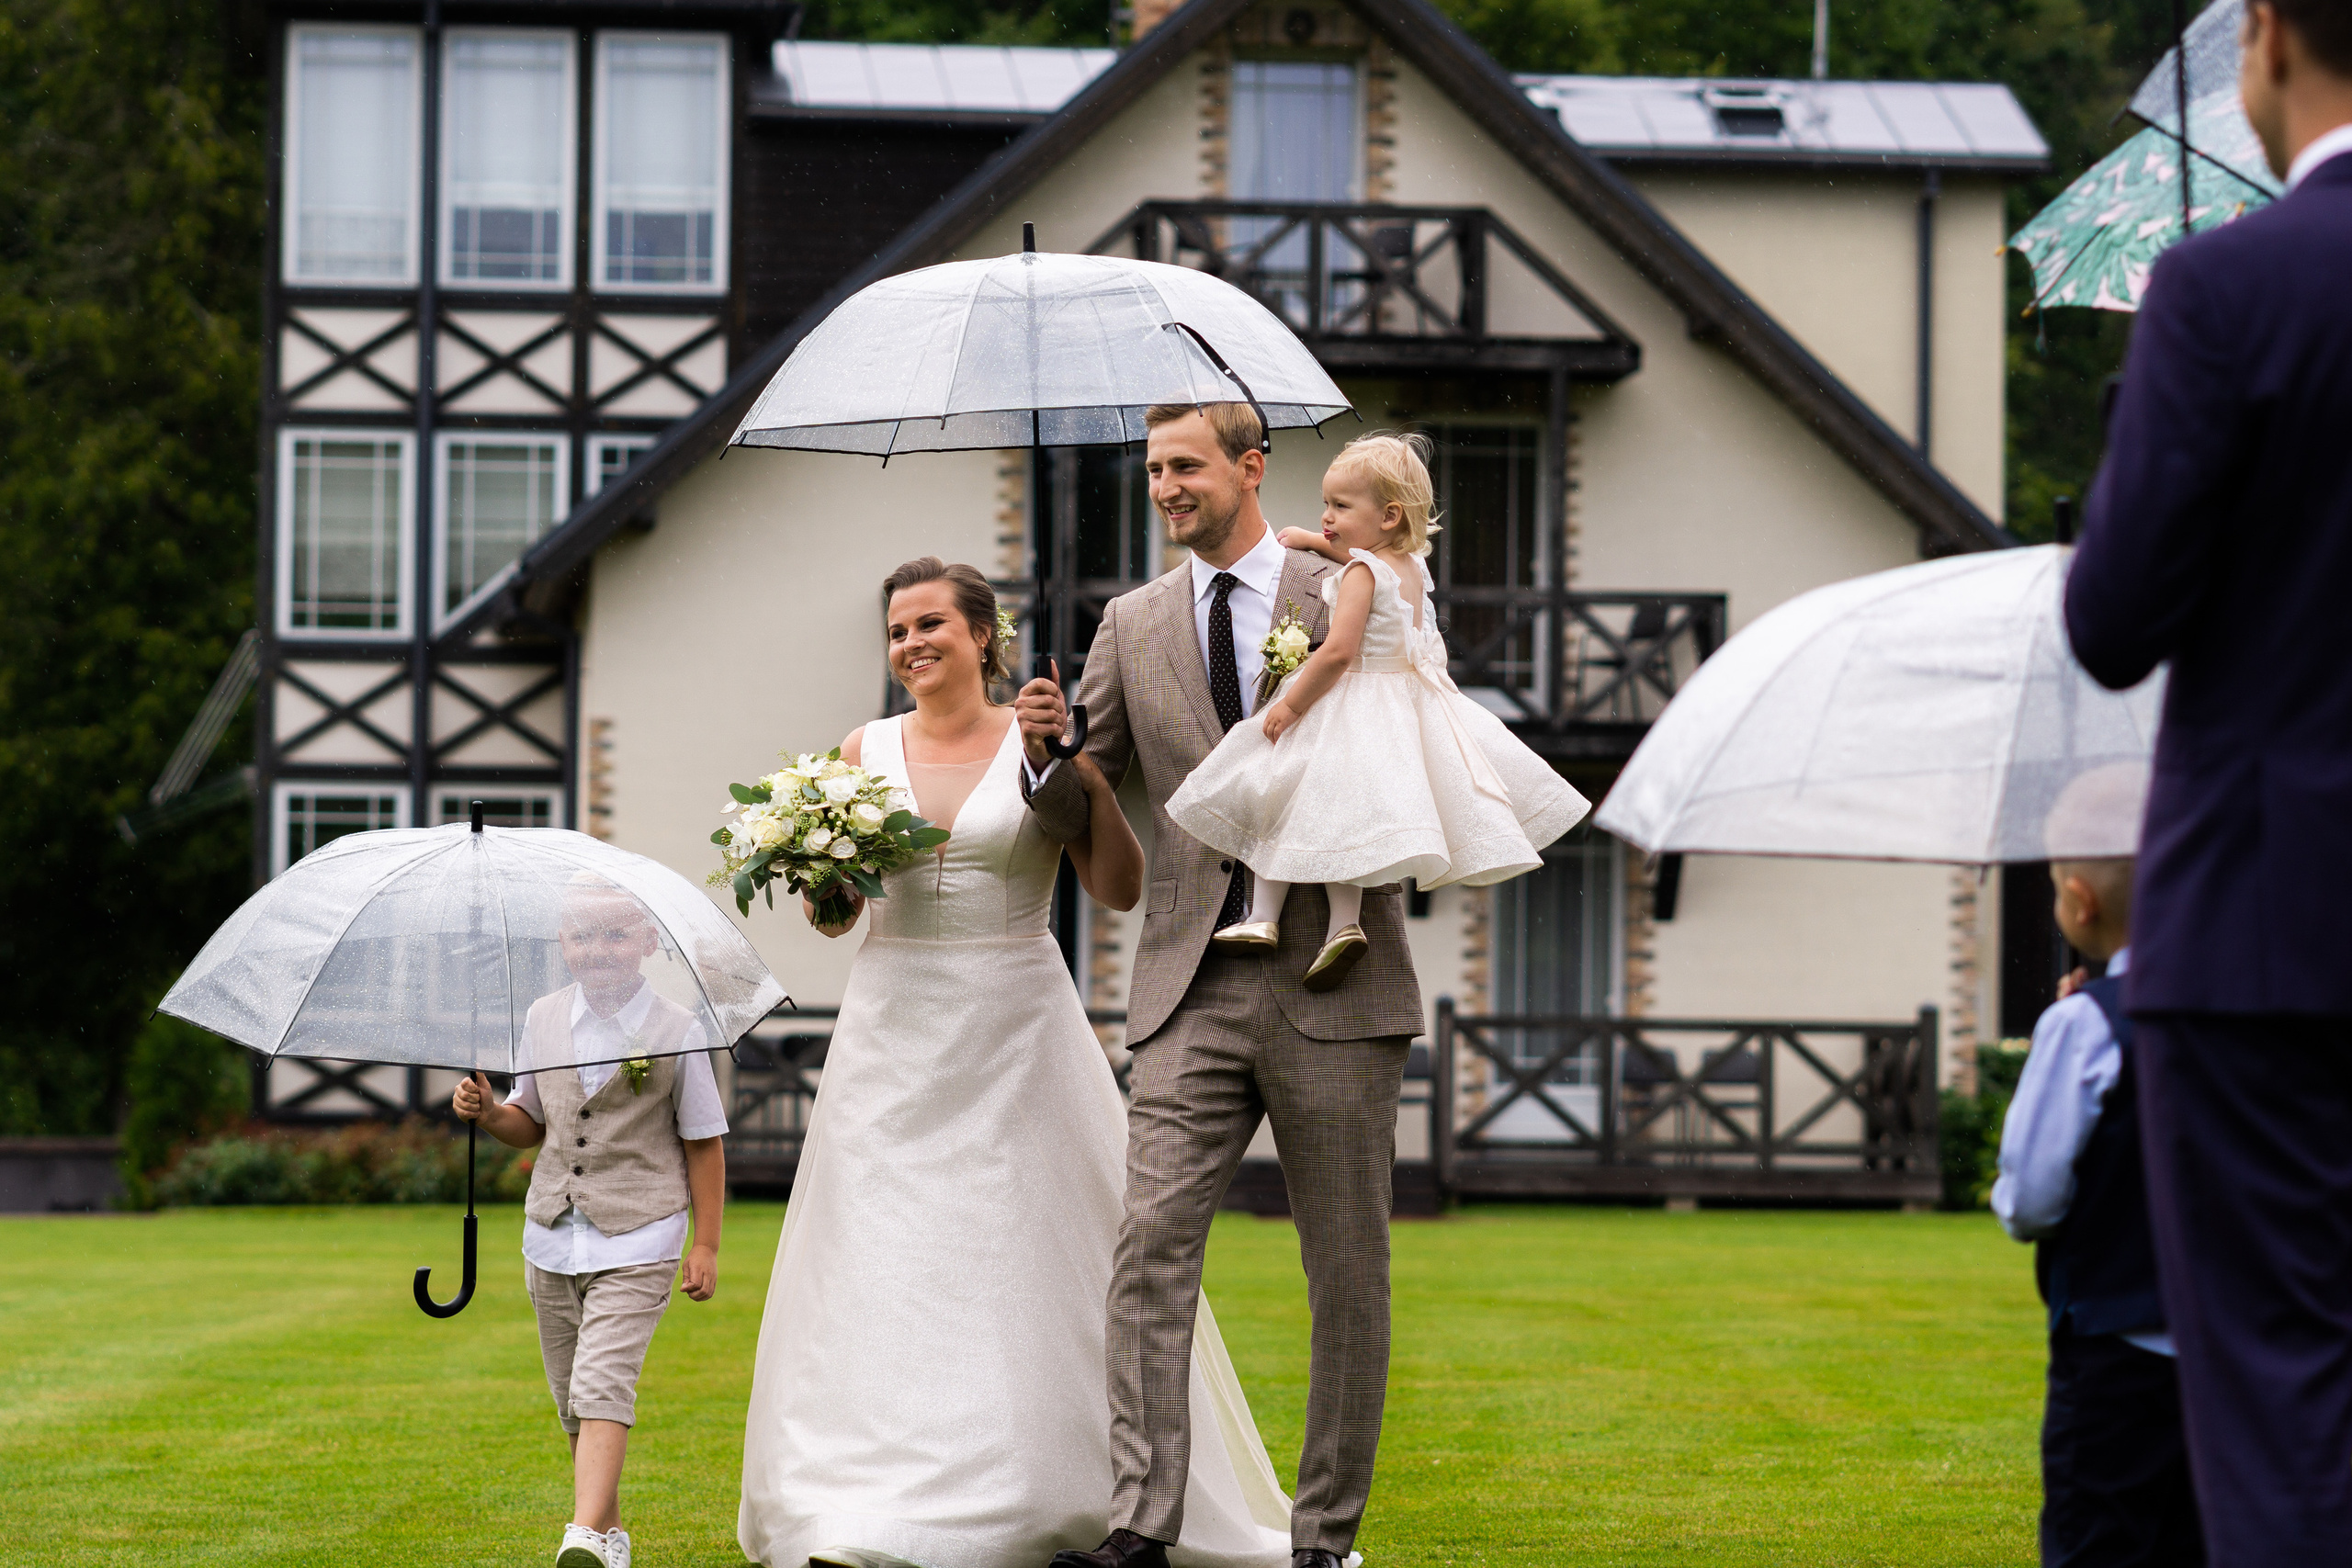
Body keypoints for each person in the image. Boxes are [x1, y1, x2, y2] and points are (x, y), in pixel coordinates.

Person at [737, 557, 1295, 1568]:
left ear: (983, 638)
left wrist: (1070, 770)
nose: (910, 644)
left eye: (930, 625)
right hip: (891, 1029)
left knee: (1017, 1253)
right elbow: (836, 920)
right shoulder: (861, 750)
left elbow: (1119, 888)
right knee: (882, 1255)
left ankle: (1033, 1485)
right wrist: (814, 873)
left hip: (1016, 1026)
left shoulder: (1042, 738)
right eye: (897, 629)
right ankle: (853, 1502)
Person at [1016, 404, 1423, 1568]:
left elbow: (1403, 712)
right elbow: (1085, 792)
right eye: (1150, 471)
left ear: (1249, 470)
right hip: (1188, 979)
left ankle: (1324, 1539)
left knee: (1346, 1270)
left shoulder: (1341, 574)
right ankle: (1142, 1524)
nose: (1163, 487)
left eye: (1183, 466)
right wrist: (1047, 750)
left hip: (1339, 977)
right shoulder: (1129, 622)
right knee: (1148, 1248)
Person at [2062, 0, 2352, 1558]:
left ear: (2269, 41)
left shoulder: (2226, 287)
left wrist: (2150, 437)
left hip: (2265, 934)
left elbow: (2114, 622)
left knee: (2282, 1401)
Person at [1165, 432, 1586, 993]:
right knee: (1349, 821)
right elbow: (1366, 563)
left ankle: (1262, 917)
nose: (1328, 517)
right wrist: (1319, 539)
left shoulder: (1363, 573)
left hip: (1352, 697)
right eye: (1326, 505)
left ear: (1388, 516)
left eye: (1340, 507)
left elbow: (1339, 650)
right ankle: (1344, 926)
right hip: (1405, 701)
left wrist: (1290, 703)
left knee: (1279, 789)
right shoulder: (1409, 566)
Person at [451, 874, 730, 1568]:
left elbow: (703, 1141)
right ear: (563, 944)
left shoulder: (676, 1029)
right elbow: (530, 1122)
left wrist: (707, 1243)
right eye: (582, 934)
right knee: (573, 1398)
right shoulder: (544, 1017)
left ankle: (579, 1536)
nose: (597, 948)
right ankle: (608, 1537)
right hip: (550, 1236)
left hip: (641, 1236)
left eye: (614, 933)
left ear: (645, 941)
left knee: (603, 1380)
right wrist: (489, 1113)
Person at [1992, 769, 2201, 1568]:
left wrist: (2006, 1196)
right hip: (2227, 1345)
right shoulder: (2244, 1015)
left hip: (2112, 1354)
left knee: (2100, 1540)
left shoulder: (2082, 1025)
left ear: (2079, 899)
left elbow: (2034, 1198)